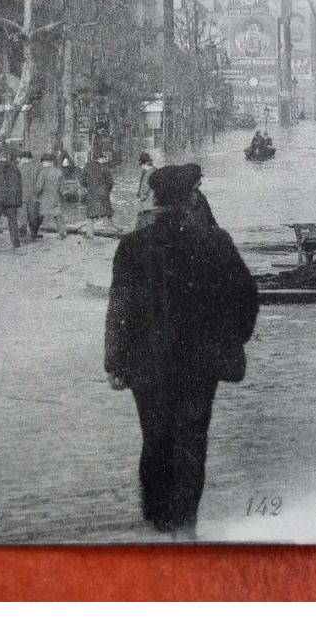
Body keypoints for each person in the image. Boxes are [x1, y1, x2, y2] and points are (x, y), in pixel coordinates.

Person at [104, 164, 259, 538]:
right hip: (200, 361)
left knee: (155, 435)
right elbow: (246, 297)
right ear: (191, 197)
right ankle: (185, 526)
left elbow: (120, 307)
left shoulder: (132, 245)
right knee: (191, 439)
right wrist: (231, 338)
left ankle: (159, 516)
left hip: (146, 360)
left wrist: (114, 361)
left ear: (155, 199)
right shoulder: (216, 241)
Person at [81, 151, 118, 239]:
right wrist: (107, 190)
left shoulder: (87, 167)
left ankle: (89, 235)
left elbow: (82, 179)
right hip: (103, 193)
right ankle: (117, 230)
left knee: (90, 215)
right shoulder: (104, 167)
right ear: (100, 159)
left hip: (92, 193)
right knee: (107, 213)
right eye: (103, 159)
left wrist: (88, 187)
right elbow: (110, 182)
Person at [34, 153, 67, 239]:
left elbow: (39, 186)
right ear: (51, 162)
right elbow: (62, 188)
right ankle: (62, 232)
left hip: (45, 197)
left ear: (44, 162)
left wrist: (36, 195)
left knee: (39, 215)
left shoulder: (43, 172)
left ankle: (34, 232)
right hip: (56, 197)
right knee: (57, 215)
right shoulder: (59, 172)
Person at [17, 150, 43, 239]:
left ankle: (23, 231)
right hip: (34, 195)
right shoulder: (38, 167)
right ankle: (33, 232)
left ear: (21, 159)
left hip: (21, 195)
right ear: (30, 158)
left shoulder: (18, 168)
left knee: (22, 214)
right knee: (33, 214)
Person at [135, 152, 158, 229]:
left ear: (143, 164)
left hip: (148, 204)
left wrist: (140, 198)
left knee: (145, 223)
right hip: (156, 203)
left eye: (141, 165)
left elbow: (145, 189)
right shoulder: (156, 171)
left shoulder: (148, 174)